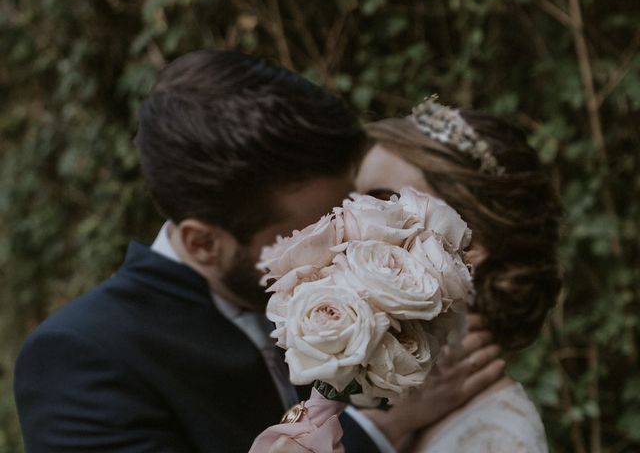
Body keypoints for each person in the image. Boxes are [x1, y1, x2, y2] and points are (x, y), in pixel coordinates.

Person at [13, 51, 503, 453]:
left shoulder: (366, 285)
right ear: (202, 242)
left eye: (347, 211)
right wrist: (377, 431)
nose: (350, 242)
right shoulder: (83, 359)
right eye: (314, 229)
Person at [356, 99, 562, 452]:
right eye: (352, 204)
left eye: (382, 204)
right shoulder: (370, 391)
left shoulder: (498, 440)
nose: (349, 225)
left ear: (472, 242)